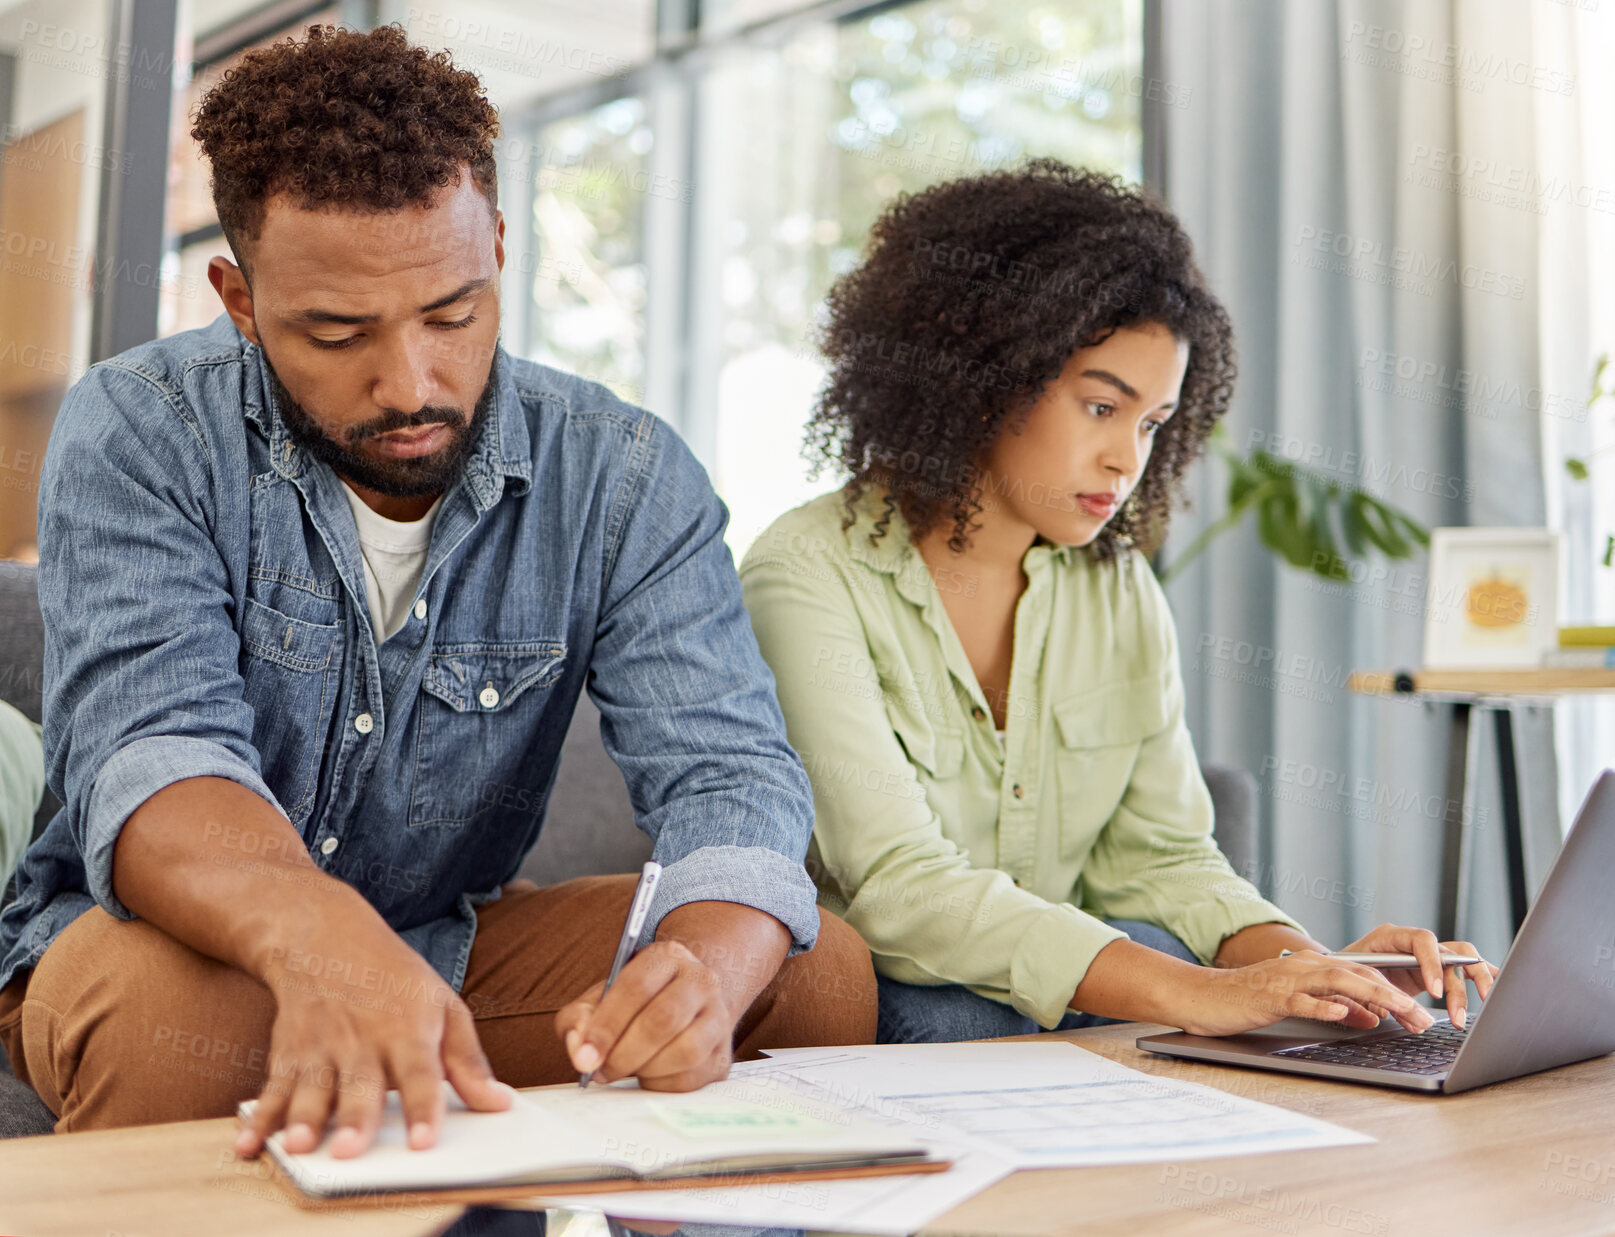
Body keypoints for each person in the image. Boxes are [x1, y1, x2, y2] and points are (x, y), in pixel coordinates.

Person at [0, 24, 875, 1153]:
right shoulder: (142, 430)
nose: (409, 382)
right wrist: (326, 945)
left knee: (812, 973)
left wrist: (702, 974)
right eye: (335, 330)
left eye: (452, 313)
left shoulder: (622, 472)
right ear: (238, 295)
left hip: (446, 943)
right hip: (150, 947)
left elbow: (729, 771)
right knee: (186, 1016)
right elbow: (156, 754)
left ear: (500, 247)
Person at [739, 162, 1497, 1045]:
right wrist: (1189, 991)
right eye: (1101, 405)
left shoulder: (1113, 582)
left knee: (1143, 964)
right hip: (885, 1002)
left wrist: (1305, 971)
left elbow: (1161, 855)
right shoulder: (804, 573)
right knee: (950, 1005)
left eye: (1150, 424)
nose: (1124, 459)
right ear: (980, 372)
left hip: (1051, 998)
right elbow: (900, 889)